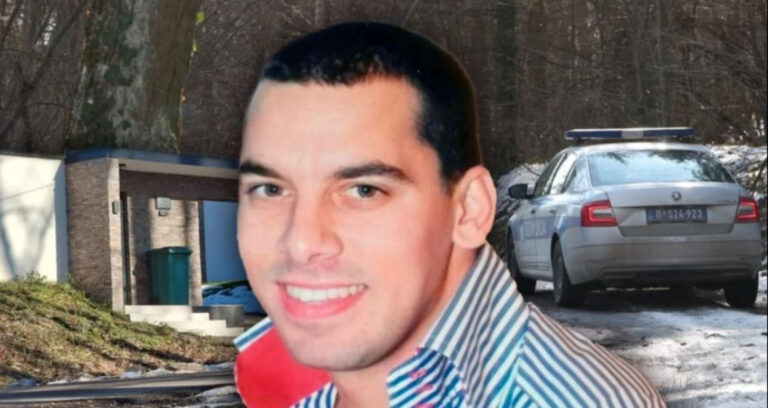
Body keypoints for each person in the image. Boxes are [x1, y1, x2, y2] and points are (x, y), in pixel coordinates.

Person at [233, 21, 665, 408]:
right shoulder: (283, 380)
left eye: (363, 190)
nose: (301, 241)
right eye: (270, 189)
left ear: (469, 210)